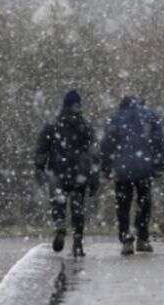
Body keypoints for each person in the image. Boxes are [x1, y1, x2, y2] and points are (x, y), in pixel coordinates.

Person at [34, 90, 99, 256]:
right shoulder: (85, 126)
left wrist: (40, 167)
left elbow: (42, 149)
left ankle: (60, 225)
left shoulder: (53, 125)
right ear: (79, 105)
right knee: (78, 208)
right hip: (80, 173)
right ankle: (77, 242)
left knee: (58, 203)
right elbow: (93, 154)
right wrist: (93, 177)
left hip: (58, 171)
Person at [100, 96, 164, 256]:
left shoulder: (115, 118)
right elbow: (158, 141)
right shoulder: (150, 116)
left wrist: (106, 166)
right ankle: (142, 237)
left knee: (123, 203)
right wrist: (159, 164)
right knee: (144, 202)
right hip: (145, 166)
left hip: (122, 167)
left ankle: (126, 238)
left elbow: (107, 143)